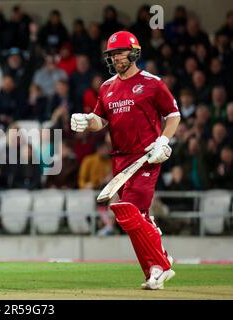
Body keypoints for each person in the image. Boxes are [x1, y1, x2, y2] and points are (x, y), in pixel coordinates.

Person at [70, 31, 180, 290]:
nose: (116, 57)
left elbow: (173, 115)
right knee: (133, 216)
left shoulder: (152, 83)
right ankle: (158, 262)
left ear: (134, 52)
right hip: (119, 160)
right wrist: (87, 122)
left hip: (146, 157)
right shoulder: (107, 87)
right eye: (112, 54)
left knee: (129, 208)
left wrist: (164, 141)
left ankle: (160, 265)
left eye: (120, 52)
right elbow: (101, 120)